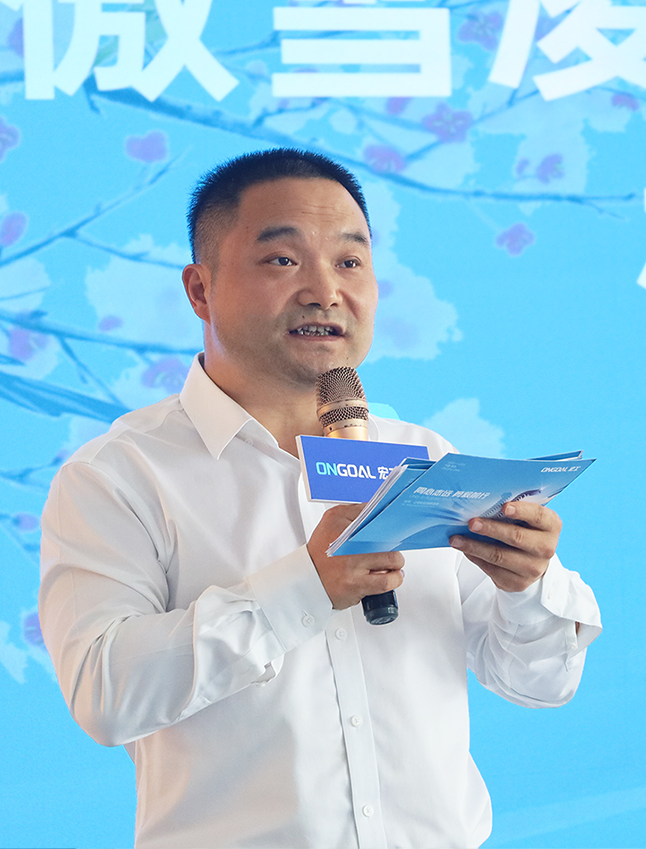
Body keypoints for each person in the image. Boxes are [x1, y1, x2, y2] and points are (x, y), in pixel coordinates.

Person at [39, 148, 601, 848]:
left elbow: (538, 683)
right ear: (200, 290)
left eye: (350, 261)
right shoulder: (121, 476)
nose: (325, 291)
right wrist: (303, 588)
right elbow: (104, 692)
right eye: (283, 260)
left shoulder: (424, 458)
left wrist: (528, 586)